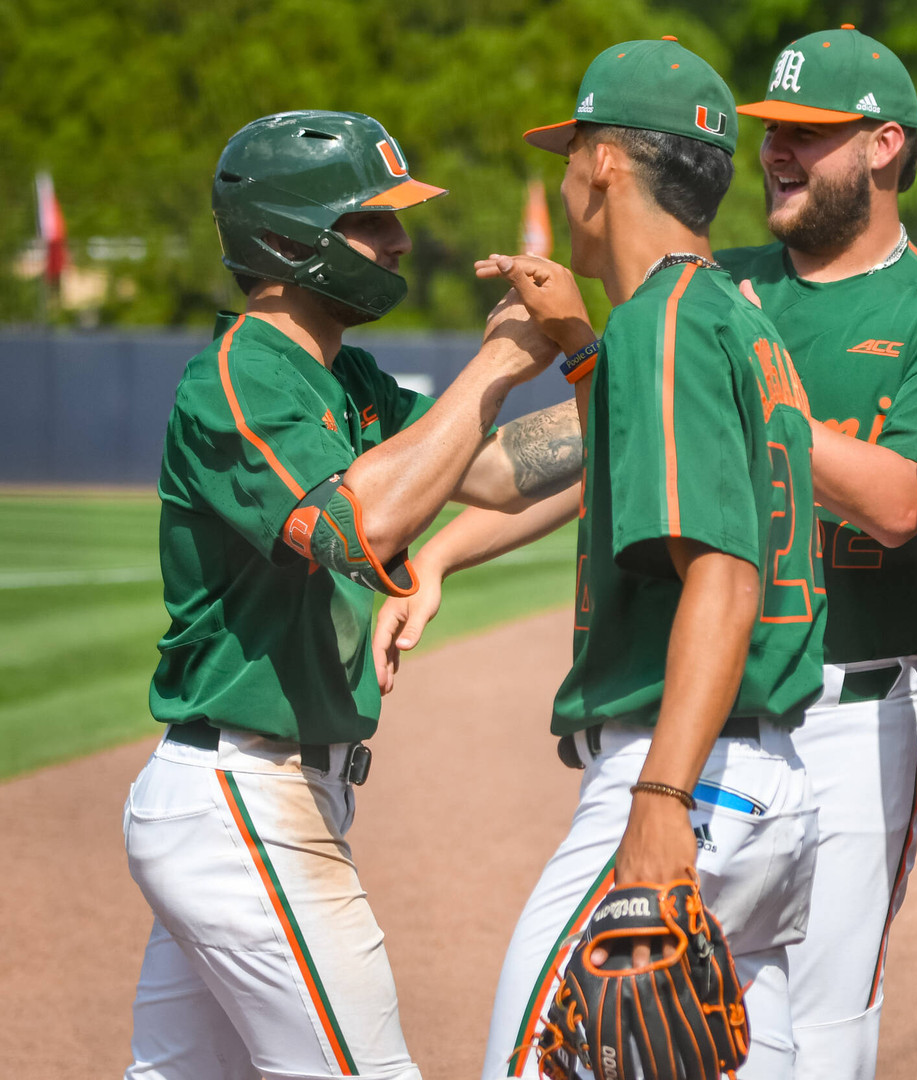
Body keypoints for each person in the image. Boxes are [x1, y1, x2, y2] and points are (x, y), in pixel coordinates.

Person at [393, 40, 824, 1080]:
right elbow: (515, 476)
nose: (562, 176)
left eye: (569, 152)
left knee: (525, 1062)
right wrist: (569, 354)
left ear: (604, 167)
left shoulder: (663, 329)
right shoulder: (716, 315)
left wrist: (660, 804)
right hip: (764, 778)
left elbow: (724, 573)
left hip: (684, 775)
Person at [123, 111, 577, 1080]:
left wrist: (636, 386)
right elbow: (358, 531)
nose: (400, 244)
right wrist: (497, 364)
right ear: (291, 239)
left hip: (263, 796)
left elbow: (495, 474)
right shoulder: (243, 374)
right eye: (374, 223)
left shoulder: (349, 378)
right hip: (242, 797)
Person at [715, 26, 917, 1078]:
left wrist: (752, 387)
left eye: (807, 134)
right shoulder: (720, 282)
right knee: (687, 1008)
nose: (776, 151)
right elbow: (598, 445)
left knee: (823, 1030)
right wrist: (446, 542)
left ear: (883, 146)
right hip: (710, 693)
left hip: (852, 705)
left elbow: (899, 502)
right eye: (773, 131)